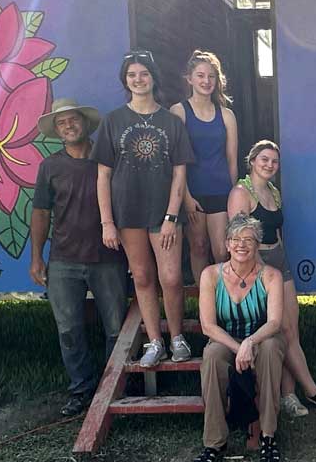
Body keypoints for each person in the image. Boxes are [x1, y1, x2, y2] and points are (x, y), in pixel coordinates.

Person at [227, 140, 316, 417]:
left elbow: (276, 231)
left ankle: (289, 396)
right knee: (277, 330)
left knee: (291, 330)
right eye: (264, 159)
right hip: (258, 267)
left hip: (281, 262)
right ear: (252, 161)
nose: (269, 165)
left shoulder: (272, 191)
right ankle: (314, 392)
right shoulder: (240, 193)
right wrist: (258, 272)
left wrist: (282, 261)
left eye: (274, 161)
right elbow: (238, 240)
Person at [29, 98, 130, 417]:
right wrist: (37, 257)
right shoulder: (50, 166)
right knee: (69, 329)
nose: (69, 126)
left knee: (116, 328)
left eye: (73, 120)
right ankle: (81, 390)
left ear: (86, 124)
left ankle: (116, 387)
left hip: (109, 256)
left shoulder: (109, 160)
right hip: (63, 259)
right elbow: (41, 213)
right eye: (61, 123)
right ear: (57, 131)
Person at [95, 50, 195, 368]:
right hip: (127, 214)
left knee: (172, 277)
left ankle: (177, 337)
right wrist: (107, 222)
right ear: (126, 81)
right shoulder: (113, 121)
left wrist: (171, 216)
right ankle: (155, 342)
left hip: (164, 214)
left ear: (153, 77)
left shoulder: (171, 121)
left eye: (143, 74)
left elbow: (180, 172)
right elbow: (103, 175)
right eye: (131, 75)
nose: (138, 80)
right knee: (141, 277)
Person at [192, 214, 287, 462]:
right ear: (226, 244)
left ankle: (268, 436)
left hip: (262, 336)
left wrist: (251, 343)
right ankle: (214, 442)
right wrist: (240, 348)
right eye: (235, 239)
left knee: (268, 350)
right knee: (212, 356)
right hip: (227, 338)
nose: (241, 245)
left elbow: (275, 322)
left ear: (257, 245)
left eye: (248, 239)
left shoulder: (271, 276)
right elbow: (208, 326)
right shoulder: (211, 275)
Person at [170, 50, 238, 279]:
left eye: (211, 76)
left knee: (221, 251)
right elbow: (175, 161)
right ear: (189, 78)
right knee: (198, 247)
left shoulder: (226, 115)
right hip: (193, 193)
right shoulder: (179, 112)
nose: (206, 81)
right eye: (200, 75)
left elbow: (231, 159)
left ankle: (224, 304)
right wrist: (186, 198)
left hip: (221, 191)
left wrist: (233, 196)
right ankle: (205, 304)